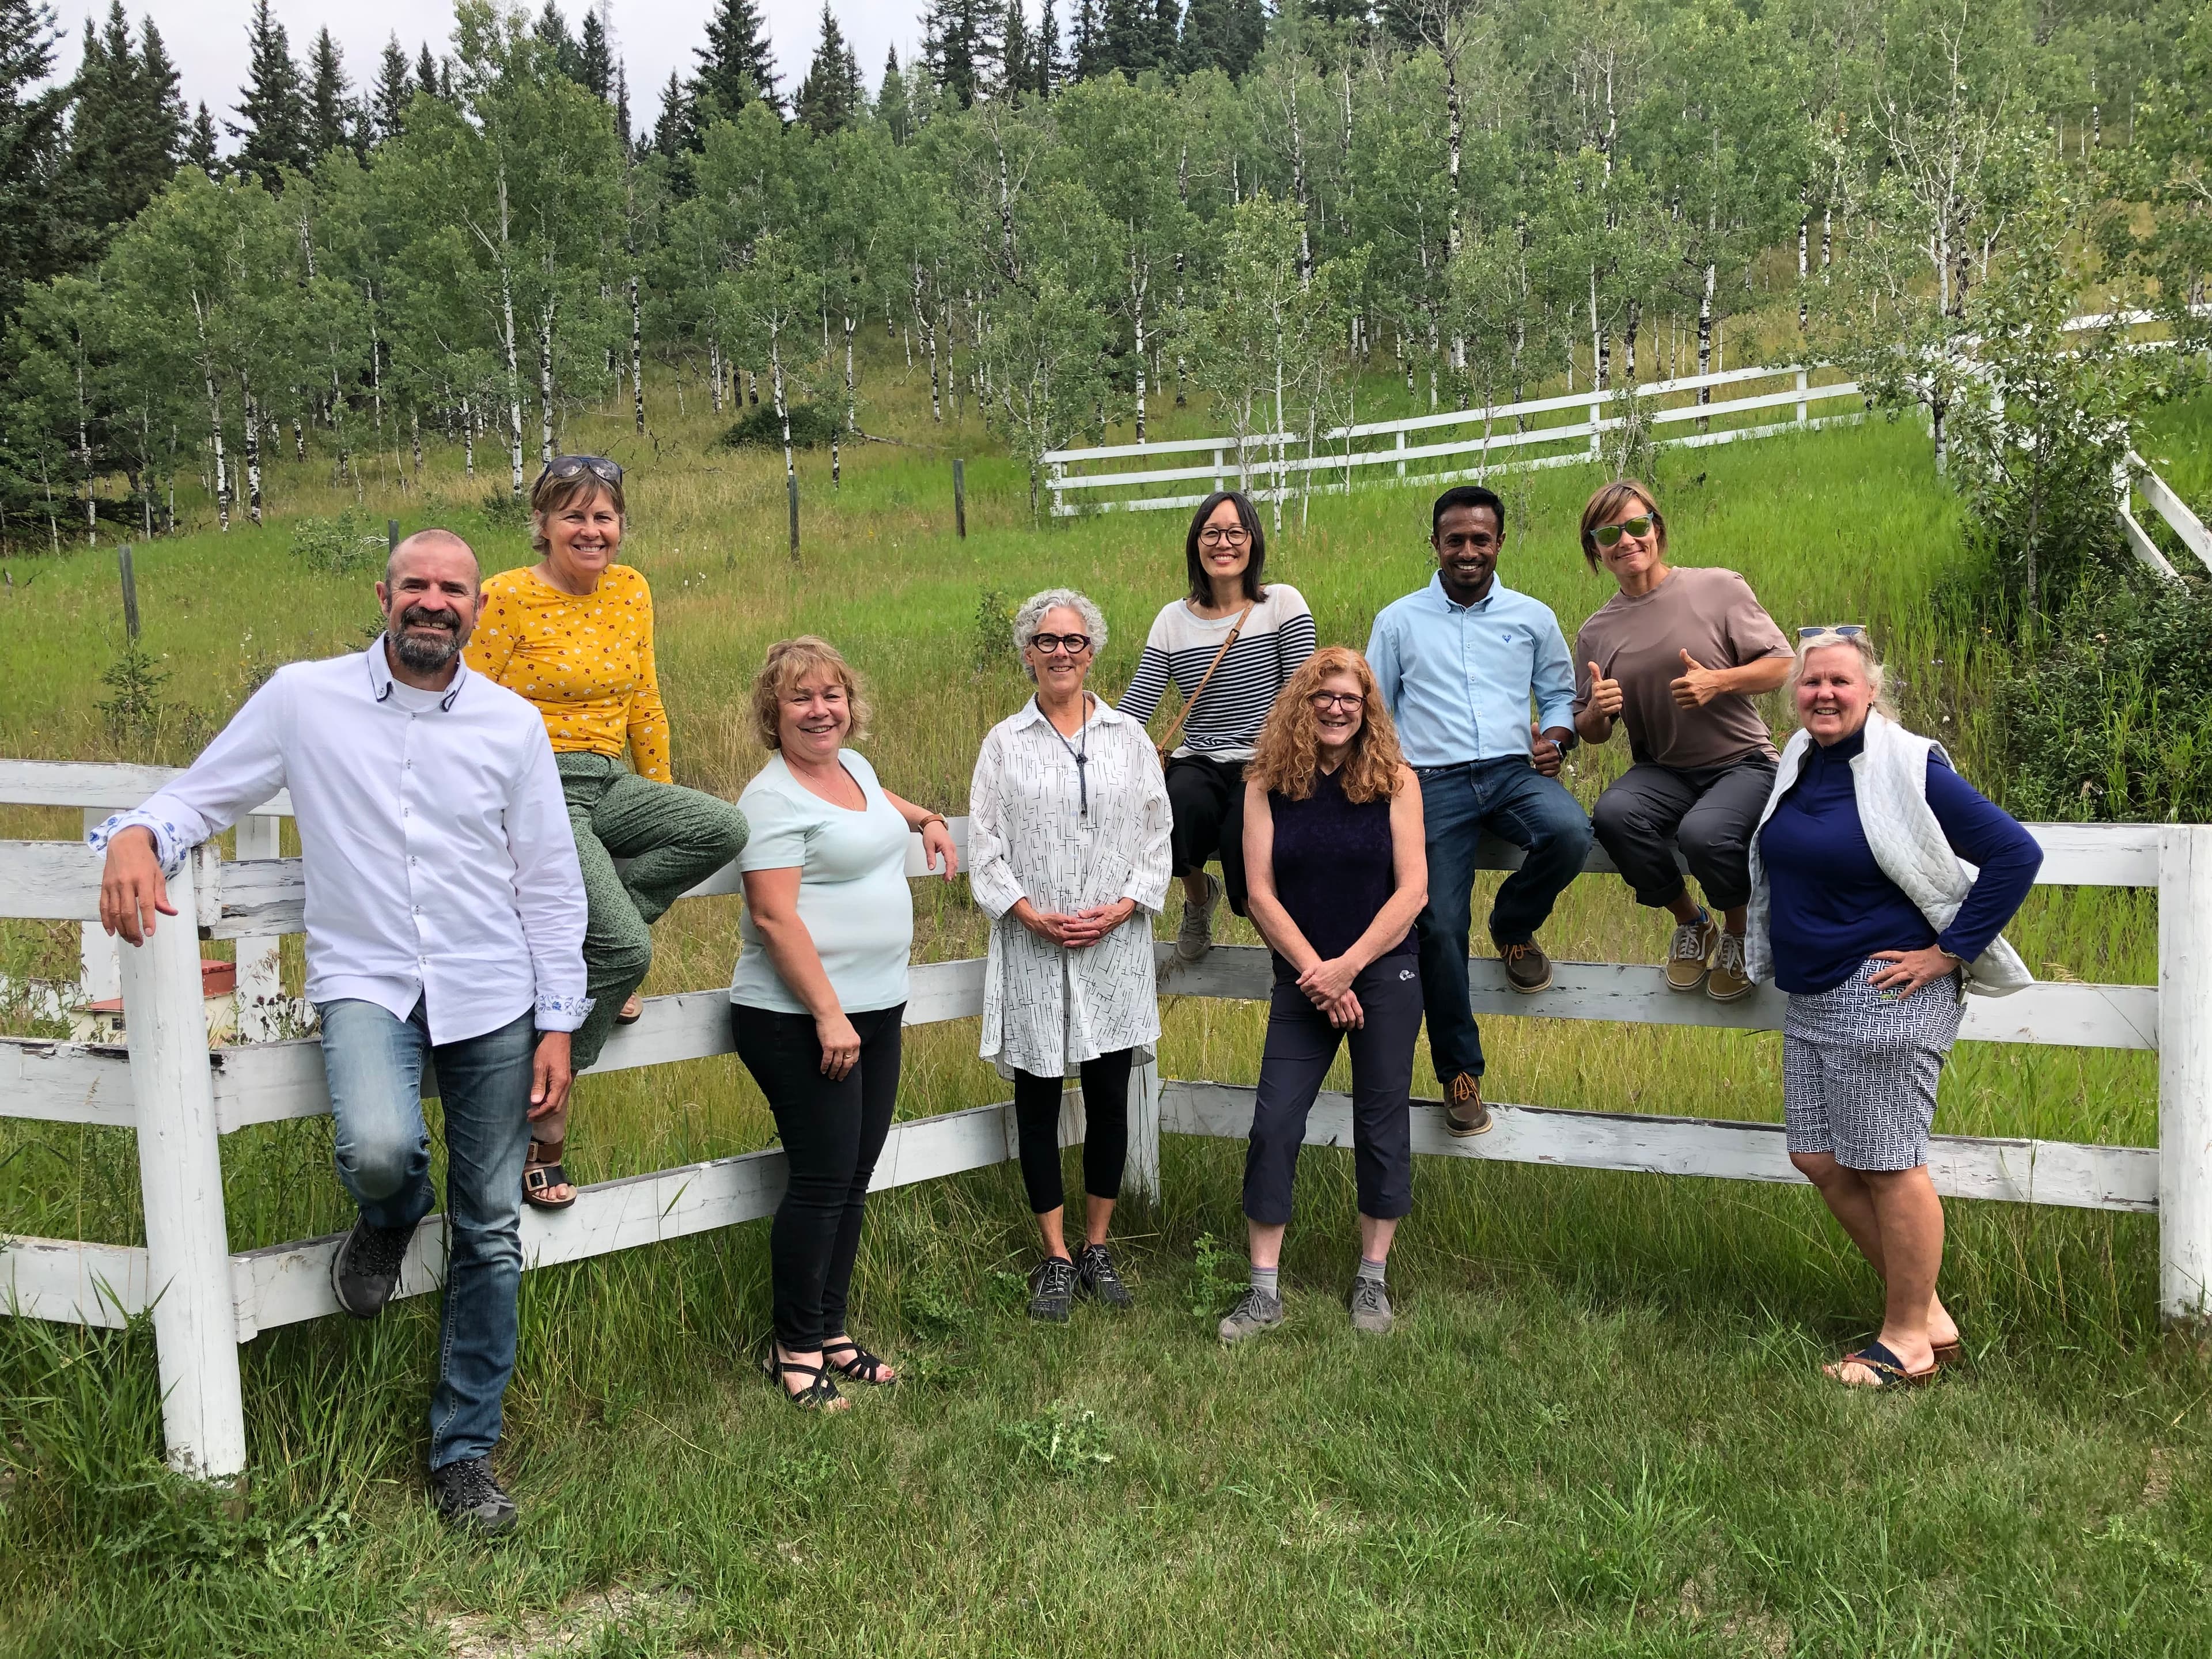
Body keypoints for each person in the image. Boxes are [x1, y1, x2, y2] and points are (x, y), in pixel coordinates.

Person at [90, 530, 588, 1535]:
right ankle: (393, 1211)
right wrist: (136, 835)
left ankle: (463, 1455)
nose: (433, 603)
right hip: (368, 981)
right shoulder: (302, 699)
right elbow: (201, 793)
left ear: (478, 610)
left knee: (491, 1226)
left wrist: (559, 1022)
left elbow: (548, 878)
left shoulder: (512, 724)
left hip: (492, 993)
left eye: (453, 589)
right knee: (376, 1147)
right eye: (416, 586)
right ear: (385, 595)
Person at [1747, 627, 2042, 1389]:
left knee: (1888, 1165)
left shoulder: (1911, 765)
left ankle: (1907, 1337)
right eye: (1813, 683)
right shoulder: (1798, 759)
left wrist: (1951, 951)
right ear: (1796, 692)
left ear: (1871, 690)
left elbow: (2015, 853)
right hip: (1812, 991)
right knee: (1816, 1156)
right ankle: (1928, 1313)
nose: (1825, 695)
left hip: (1883, 991)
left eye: (1842, 682)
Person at [466, 456, 749, 1211]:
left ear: (620, 526)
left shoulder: (632, 590)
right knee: (626, 947)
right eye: (574, 516)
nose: (592, 531)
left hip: (608, 780)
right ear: (543, 526)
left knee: (721, 827)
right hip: (532, 787)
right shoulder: (505, 598)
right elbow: (461, 704)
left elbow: (645, 701)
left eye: (604, 517)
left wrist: (655, 795)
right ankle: (545, 1129)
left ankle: (583, 950)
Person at [729, 637, 959, 1410]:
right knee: (823, 1178)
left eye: (832, 695)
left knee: (852, 1179)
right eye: (802, 698)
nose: (821, 709)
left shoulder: (853, 770)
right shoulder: (770, 799)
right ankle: (792, 1347)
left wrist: (926, 816)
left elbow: (880, 805)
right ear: (774, 712)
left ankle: (831, 1331)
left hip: (875, 1007)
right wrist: (828, 1013)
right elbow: (771, 914)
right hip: (799, 1018)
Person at [968, 590, 1172, 1323]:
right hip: (1033, 946)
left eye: (1075, 642)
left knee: (1111, 1098)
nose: (1061, 653)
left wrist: (1121, 908)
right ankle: (1054, 1256)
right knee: (1039, 1099)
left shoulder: (1128, 737)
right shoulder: (1004, 743)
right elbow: (984, 845)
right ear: (1027, 652)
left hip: (1112, 946)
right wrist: (1028, 913)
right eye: (1047, 641)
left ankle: (1097, 1246)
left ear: (1094, 653)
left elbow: (1158, 835)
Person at [1366, 484, 1592, 1138]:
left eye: (1481, 539)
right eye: (1455, 540)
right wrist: (1390, 782)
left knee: (1572, 832)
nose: (1468, 551)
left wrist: (1557, 737)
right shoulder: (1399, 620)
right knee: (1437, 924)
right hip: (1429, 782)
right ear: (1435, 544)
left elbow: (1557, 694)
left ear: (1498, 543)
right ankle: (1459, 1073)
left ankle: (1514, 925)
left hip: (1510, 773)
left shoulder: (1530, 616)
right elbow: (1375, 710)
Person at [1218, 649, 1428, 1345]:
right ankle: (1264, 1292)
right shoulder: (1266, 782)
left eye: (1351, 699)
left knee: (1381, 1122)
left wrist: (1351, 967)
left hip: (1383, 970)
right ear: (1301, 704)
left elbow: (1414, 891)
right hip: (1303, 974)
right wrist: (1319, 972)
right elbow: (1258, 894)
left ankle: (1372, 1280)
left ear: (1367, 711)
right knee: (1274, 1122)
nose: (1337, 709)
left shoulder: (1396, 781)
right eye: (1323, 697)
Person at [1571, 480, 1793, 1002]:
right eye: (1609, 533)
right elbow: (1591, 729)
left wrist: (1719, 681)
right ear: (1595, 550)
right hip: (1664, 769)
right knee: (1612, 814)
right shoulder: (1595, 632)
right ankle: (1692, 923)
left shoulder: (1718, 588)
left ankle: (1738, 934)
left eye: (1636, 525)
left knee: (1705, 833)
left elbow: (1782, 665)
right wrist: (1600, 714)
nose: (1626, 540)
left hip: (1742, 761)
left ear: (1657, 528)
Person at [1119, 490, 1316, 963]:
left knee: (1242, 843)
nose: (1223, 543)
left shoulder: (1281, 604)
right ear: (1196, 543)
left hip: (1267, 759)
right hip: (1201, 756)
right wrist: (1081, 742)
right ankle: (1199, 896)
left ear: (1253, 542)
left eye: (1235, 532)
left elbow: (1305, 696)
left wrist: (1282, 763)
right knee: (1167, 810)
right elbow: (1138, 703)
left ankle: (1290, 966)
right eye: (1211, 533)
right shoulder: (1172, 619)